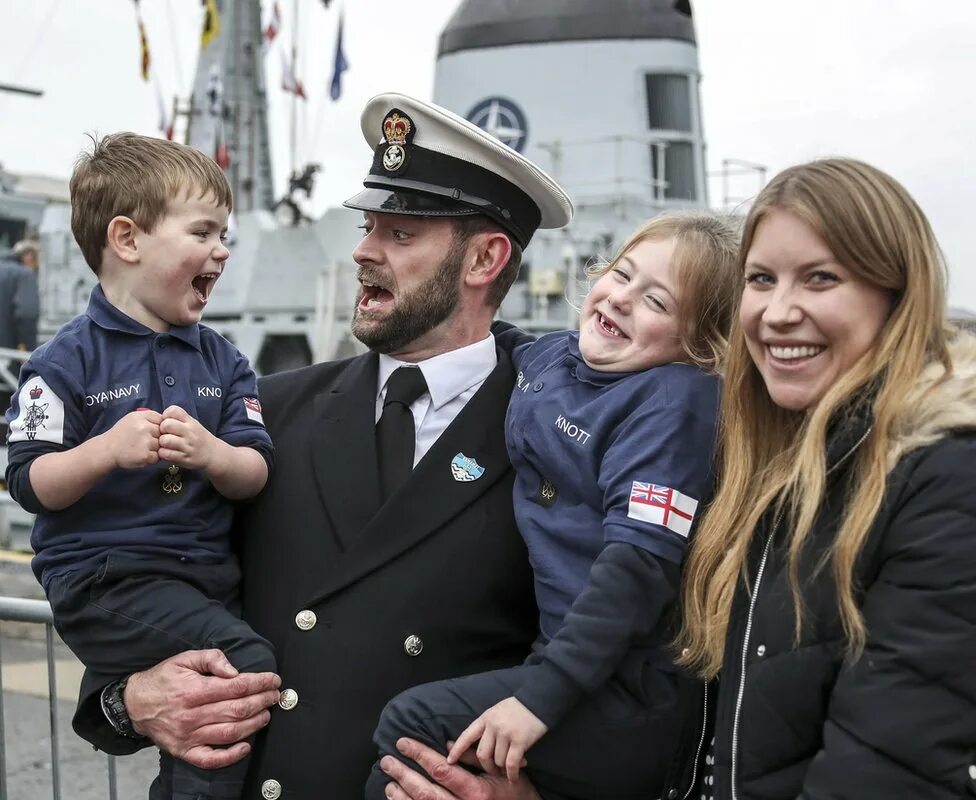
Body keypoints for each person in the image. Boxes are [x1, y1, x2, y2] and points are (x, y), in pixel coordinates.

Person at [70, 92, 575, 800]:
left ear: (485, 258)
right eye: (370, 227)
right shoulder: (262, 415)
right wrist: (132, 699)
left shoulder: (556, 439)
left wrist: (530, 795)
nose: (363, 251)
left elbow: (602, 663)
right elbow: (141, 580)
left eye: (400, 235)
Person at [366, 211, 739, 800]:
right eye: (622, 274)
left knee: (415, 727)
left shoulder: (674, 407)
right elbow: (504, 348)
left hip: (628, 694)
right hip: (569, 668)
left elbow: (637, 570)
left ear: (697, 344)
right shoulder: (555, 361)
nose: (621, 299)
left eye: (657, 302)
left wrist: (540, 698)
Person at [655, 158, 976, 799]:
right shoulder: (781, 472)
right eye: (761, 279)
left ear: (896, 295)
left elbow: (889, 770)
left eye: (820, 279)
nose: (777, 312)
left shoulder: (945, 480)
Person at [4, 132, 277, 800]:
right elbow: (29, 483)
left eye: (225, 234)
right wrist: (106, 450)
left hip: (203, 580)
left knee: (208, 686)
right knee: (240, 667)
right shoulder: (62, 365)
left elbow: (255, 470)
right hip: (109, 582)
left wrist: (213, 454)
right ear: (127, 240)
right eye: (203, 232)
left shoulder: (225, 361)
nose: (221, 251)